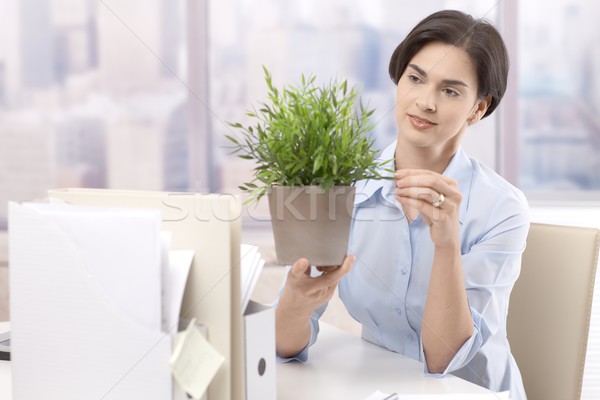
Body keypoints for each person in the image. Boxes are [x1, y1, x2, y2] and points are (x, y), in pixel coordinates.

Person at [274, 9, 529, 399]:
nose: (425, 102)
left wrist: (446, 245)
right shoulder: (346, 187)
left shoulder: (501, 209)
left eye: (450, 90)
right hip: (379, 388)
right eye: (415, 78)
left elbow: (443, 361)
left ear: (478, 108)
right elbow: (285, 346)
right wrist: (295, 302)